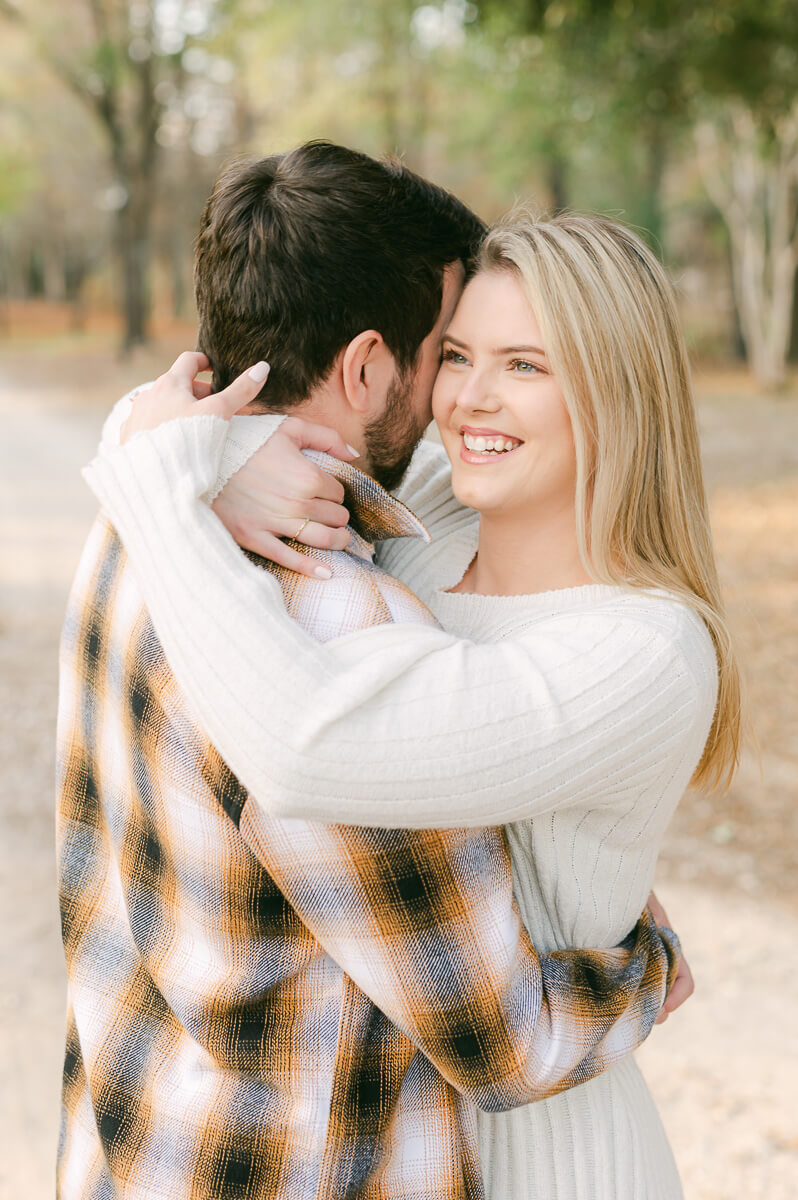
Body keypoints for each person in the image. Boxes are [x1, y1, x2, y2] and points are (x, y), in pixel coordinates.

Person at [59, 145, 685, 1200]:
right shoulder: (336, 622)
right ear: (363, 367)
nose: (457, 398)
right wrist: (650, 960)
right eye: (446, 352)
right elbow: (505, 1040)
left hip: (140, 1147)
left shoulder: (133, 521)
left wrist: (173, 444)